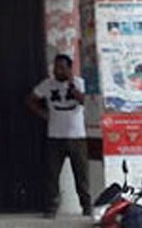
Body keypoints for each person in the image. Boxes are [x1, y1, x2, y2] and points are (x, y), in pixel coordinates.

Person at [26, 54, 92, 218]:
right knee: (52, 174)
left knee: (81, 174)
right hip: (55, 136)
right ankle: (51, 208)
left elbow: (84, 100)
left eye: (62, 68)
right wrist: (43, 114)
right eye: (56, 67)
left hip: (77, 136)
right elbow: (31, 99)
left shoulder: (79, 83)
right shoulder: (47, 85)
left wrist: (71, 84)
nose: (58, 71)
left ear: (69, 69)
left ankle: (86, 206)